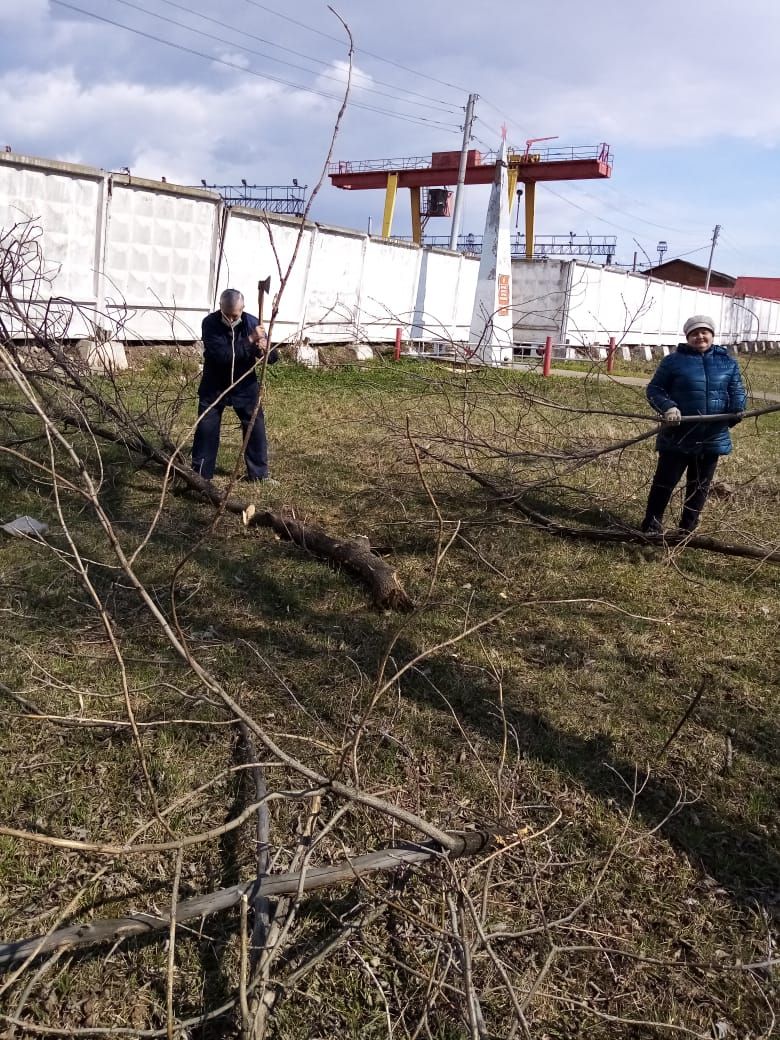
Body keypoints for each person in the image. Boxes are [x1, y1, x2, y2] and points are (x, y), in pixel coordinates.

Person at [641, 314, 746, 535]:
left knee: (698, 488)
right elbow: (655, 390)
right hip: (678, 434)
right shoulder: (673, 361)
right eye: (694, 333)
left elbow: (736, 390)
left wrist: (737, 409)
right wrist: (668, 407)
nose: (700, 336)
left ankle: (686, 530)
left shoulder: (727, 362)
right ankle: (651, 526)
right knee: (664, 483)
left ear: (712, 335)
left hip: (711, 436)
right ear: (688, 336)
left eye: (704, 332)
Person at [192, 288, 278, 483]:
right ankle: (200, 475)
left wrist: (266, 349)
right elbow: (223, 356)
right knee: (207, 427)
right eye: (227, 314)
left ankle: (259, 474)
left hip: (245, 385)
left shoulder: (252, 323)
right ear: (220, 307)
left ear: (242, 309)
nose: (231, 319)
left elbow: (273, 358)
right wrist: (250, 340)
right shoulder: (210, 324)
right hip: (215, 384)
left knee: (255, 426)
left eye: (235, 315)